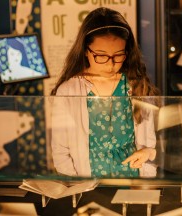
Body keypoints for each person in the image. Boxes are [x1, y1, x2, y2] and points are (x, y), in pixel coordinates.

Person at [50, 7, 160, 178]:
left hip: (132, 181)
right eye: (101, 56)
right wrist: (78, 187)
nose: (110, 64)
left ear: (127, 52)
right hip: (87, 183)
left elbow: (149, 144)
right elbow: (60, 150)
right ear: (86, 50)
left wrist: (145, 181)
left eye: (118, 55)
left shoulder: (137, 85)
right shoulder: (68, 91)